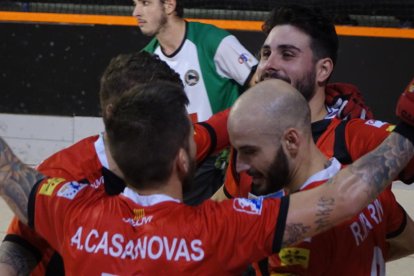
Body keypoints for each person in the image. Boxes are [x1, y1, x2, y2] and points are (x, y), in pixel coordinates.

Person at [1, 79, 414, 274]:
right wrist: (407, 133)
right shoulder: (214, 230)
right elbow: (346, 196)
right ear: (185, 160)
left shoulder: (71, 212)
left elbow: (9, 172)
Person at [0, 52, 230, 276]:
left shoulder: (174, 147)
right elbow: (18, 249)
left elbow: (230, 123)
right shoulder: (62, 174)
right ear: (113, 114)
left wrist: (264, 78)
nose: (169, 120)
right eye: (153, 108)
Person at [213, 4, 414, 201]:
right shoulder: (252, 141)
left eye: (287, 54)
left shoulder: (354, 139)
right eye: (266, 54)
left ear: (323, 70)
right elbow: (220, 213)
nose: (268, 65)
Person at [228, 78, 414, 275]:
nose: (240, 166)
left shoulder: (294, 232)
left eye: (250, 151)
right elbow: (409, 241)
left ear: (291, 141)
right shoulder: (372, 191)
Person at [134, 0, 259, 205]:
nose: (136, 12)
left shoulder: (213, 40)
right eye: (135, 4)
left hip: (231, 160)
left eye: (145, 3)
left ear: (169, 5)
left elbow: (262, 85)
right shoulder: (145, 61)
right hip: (185, 164)